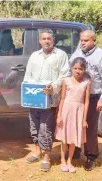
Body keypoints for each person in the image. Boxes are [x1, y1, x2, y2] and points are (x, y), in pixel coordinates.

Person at [24, 29, 69, 171]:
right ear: (40, 41)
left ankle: (46, 158)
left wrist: (53, 87)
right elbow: (27, 75)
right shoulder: (34, 56)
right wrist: (28, 91)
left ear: (53, 40)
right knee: (34, 127)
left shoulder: (60, 55)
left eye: (49, 38)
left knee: (45, 129)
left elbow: (64, 75)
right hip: (34, 99)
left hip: (50, 100)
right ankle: (37, 152)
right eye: (44, 39)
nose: (46, 41)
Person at [69, 30, 102, 171]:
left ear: (94, 41)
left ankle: (91, 156)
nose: (82, 43)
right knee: (75, 124)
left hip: (94, 96)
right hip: (77, 96)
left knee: (89, 128)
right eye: (81, 40)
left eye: (86, 40)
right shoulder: (77, 54)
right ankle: (74, 150)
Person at [55, 57, 91, 173]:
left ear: (84, 69)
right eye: (75, 68)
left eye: (80, 68)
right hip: (66, 110)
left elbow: (86, 101)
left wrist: (84, 119)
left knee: (73, 138)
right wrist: (59, 115)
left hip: (78, 112)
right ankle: (62, 160)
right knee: (64, 138)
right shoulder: (66, 81)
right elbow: (62, 98)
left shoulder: (87, 82)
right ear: (71, 68)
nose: (77, 71)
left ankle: (70, 161)